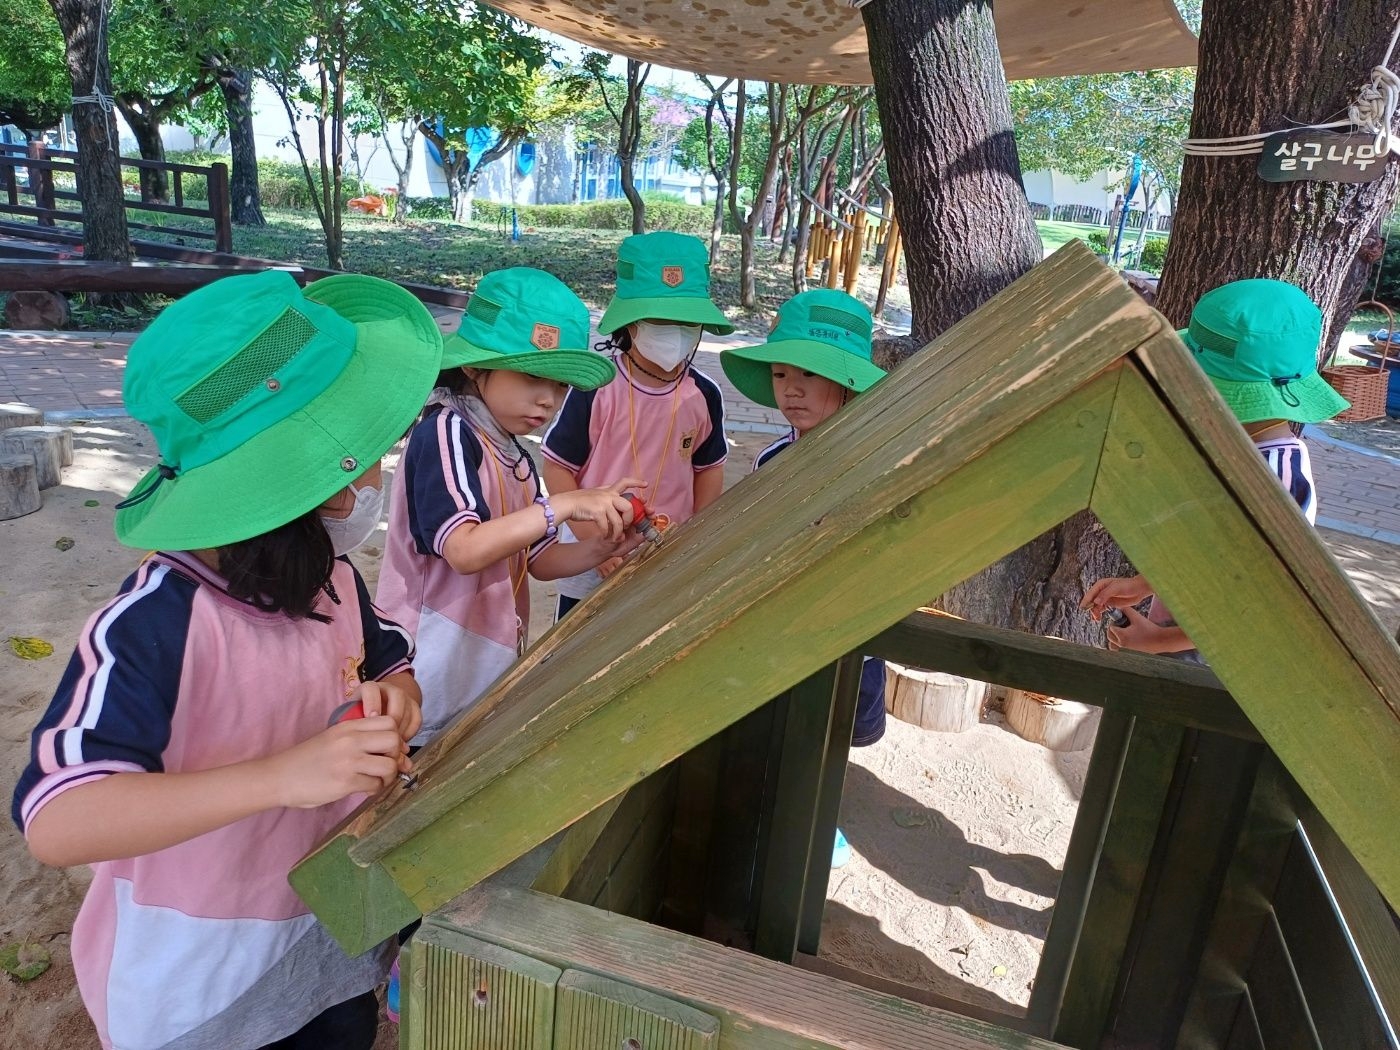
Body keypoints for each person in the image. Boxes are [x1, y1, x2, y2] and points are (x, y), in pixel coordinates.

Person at [11, 269, 442, 1049]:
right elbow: (58, 818)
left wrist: (397, 702)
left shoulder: (334, 579)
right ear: (285, 490)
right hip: (199, 985)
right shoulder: (155, 623)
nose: (367, 487)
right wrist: (280, 777)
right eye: (351, 467)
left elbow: (390, 664)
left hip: (326, 940)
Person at [376, 267, 643, 747]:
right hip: (428, 665)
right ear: (476, 367)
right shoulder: (448, 432)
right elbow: (464, 549)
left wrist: (604, 548)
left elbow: (538, 560)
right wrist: (564, 504)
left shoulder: (514, 454)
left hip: (482, 660)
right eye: (532, 376)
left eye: (560, 386)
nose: (548, 400)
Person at [1082, 278, 1349, 657]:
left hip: (1218, 657)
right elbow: (1211, 547)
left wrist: (1162, 641)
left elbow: (1269, 598)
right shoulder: (1230, 448)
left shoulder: (1278, 478)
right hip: (1180, 626)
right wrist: (1144, 584)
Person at [720, 288, 889, 867]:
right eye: (780, 373)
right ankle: (782, 812)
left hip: (850, 633)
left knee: (834, 734)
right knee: (784, 727)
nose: (791, 388)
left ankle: (820, 813)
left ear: (846, 380)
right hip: (783, 632)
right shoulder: (772, 462)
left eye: (810, 373)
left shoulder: (875, 463)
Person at [542, 231, 733, 619]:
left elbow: (708, 470)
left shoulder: (703, 395)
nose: (674, 332)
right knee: (578, 642)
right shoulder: (596, 388)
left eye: (686, 322)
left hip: (667, 556)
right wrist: (594, 545)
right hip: (593, 558)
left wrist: (697, 537)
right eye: (660, 320)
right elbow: (558, 467)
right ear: (629, 322)